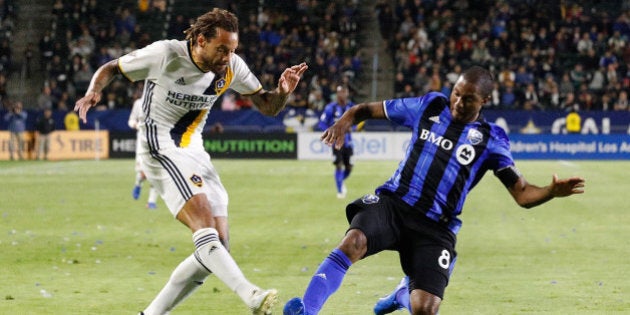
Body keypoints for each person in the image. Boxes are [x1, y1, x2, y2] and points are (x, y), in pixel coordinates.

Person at [282, 66, 585, 315]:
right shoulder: (430, 106)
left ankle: (403, 294)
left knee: (424, 309)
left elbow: (522, 194)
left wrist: (550, 191)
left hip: (435, 227)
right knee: (354, 241)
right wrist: (346, 119)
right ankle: (306, 310)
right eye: (456, 93)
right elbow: (367, 109)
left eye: (468, 99)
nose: (457, 103)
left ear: (484, 101)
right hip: (394, 204)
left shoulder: (491, 139)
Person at [74, 8, 308, 315]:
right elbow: (112, 67)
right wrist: (93, 92)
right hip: (158, 145)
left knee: (217, 248)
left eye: (232, 50)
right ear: (200, 40)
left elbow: (267, 105)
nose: (228, 56)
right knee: (203, 224)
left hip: (194, 150)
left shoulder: (232, 67)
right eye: (222, 49)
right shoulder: (165, 54)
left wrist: (282, 92)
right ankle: (251, 295)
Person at [317, 85, 357, 198]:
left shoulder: (351, 107)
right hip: (336, 143)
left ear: (347, 93)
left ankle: (340, 181)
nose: (343, 95)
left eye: (345, 92)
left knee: (349, 167)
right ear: (337, 94)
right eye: (340, 92)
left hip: (348, 142)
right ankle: (340, 191)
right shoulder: (331, 108)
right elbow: (322, 123)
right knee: (338, 165)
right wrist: (330, 131)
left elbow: (357, 123)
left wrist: (352, 128)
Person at [128, 94, 159, 209]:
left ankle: (151, 202)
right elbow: (131, 120)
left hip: (158, 141)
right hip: (142, 142)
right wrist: (136, 125)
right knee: (143, 173)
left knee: (156, 172)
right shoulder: (138, 103)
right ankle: (138, 184)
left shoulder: (161, 101)